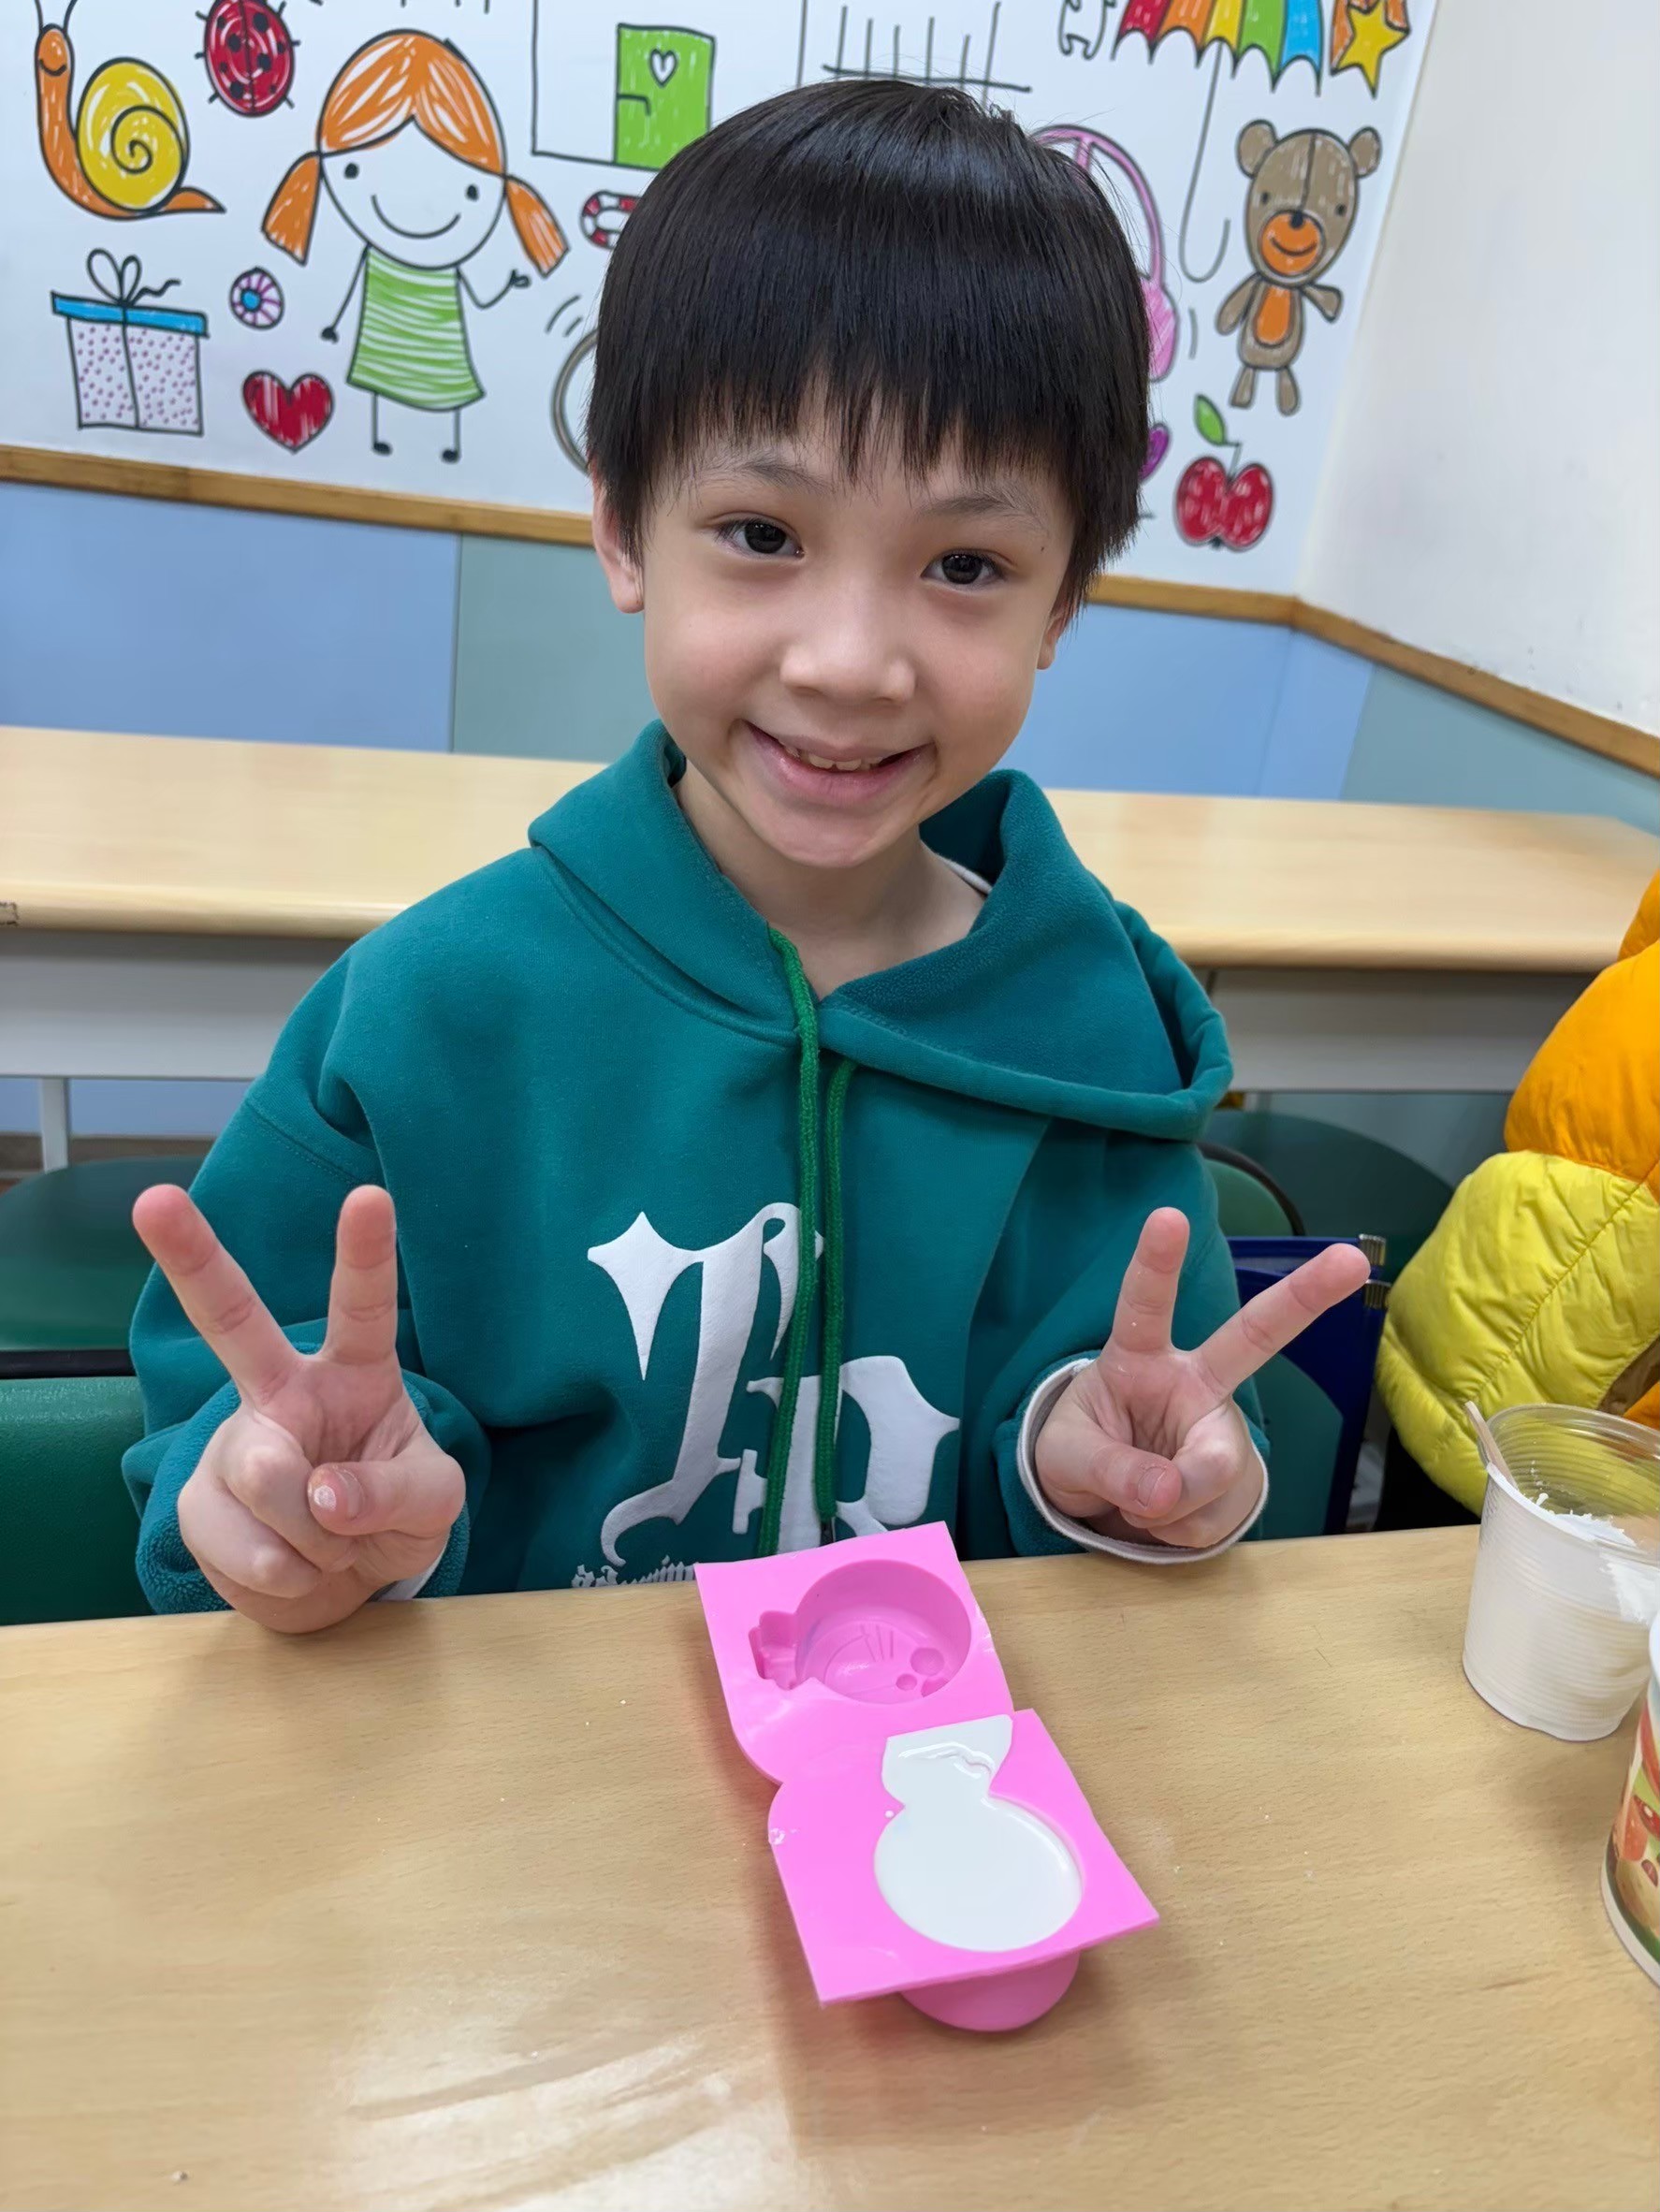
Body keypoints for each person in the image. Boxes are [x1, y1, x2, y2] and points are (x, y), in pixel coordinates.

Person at [124, 80, 1370, 1632]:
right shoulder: (427, 1010)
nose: (847, 661)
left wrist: (1105, 1472)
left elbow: (1119, 1419)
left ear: (1061, 603)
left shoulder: (1090, 1033)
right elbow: (248, 1415)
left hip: (930, 1757)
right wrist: (296, 1511)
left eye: (965, 562)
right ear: (622, 528)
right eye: (763, 535)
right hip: (513, 1754)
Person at [262, 33, 566, 461]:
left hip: (439, 346)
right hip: (385, 338)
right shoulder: (374, 258)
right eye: (354, 170)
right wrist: (334, 323)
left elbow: (478, 298)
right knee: (382, 382)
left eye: (471, 192)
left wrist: (508, 285)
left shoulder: (447, 271)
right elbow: (352, 290)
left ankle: (449, 442)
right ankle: (384, 435)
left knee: (448, 388)